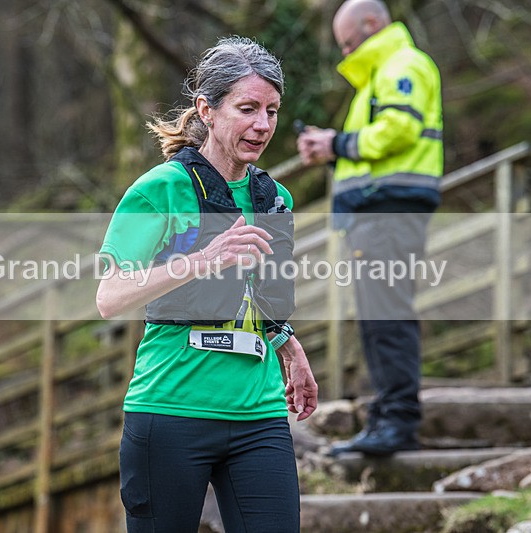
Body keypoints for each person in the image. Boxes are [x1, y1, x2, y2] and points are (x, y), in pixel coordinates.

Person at [96, 36, 318, 533]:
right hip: (170, 411)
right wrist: (201, 259)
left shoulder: (273, 197)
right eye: (247, 109)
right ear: (207, 109)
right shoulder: (162, 188)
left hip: (257, 414)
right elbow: (110, 298)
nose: (262, 125)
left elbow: (254, 293)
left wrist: (285, 341)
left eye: (272, 111)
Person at [296, 0, 442, 456]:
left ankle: (397, 420)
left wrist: (336, 143)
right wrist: (334, 147)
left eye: (348, 43)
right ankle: (387, 417)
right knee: (378, 316)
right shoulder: (382, 76)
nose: (345, 53)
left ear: (373, 25)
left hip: (389, 212)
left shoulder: (403, 66)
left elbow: (399, 130)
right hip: (375, 215)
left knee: (387, 316)